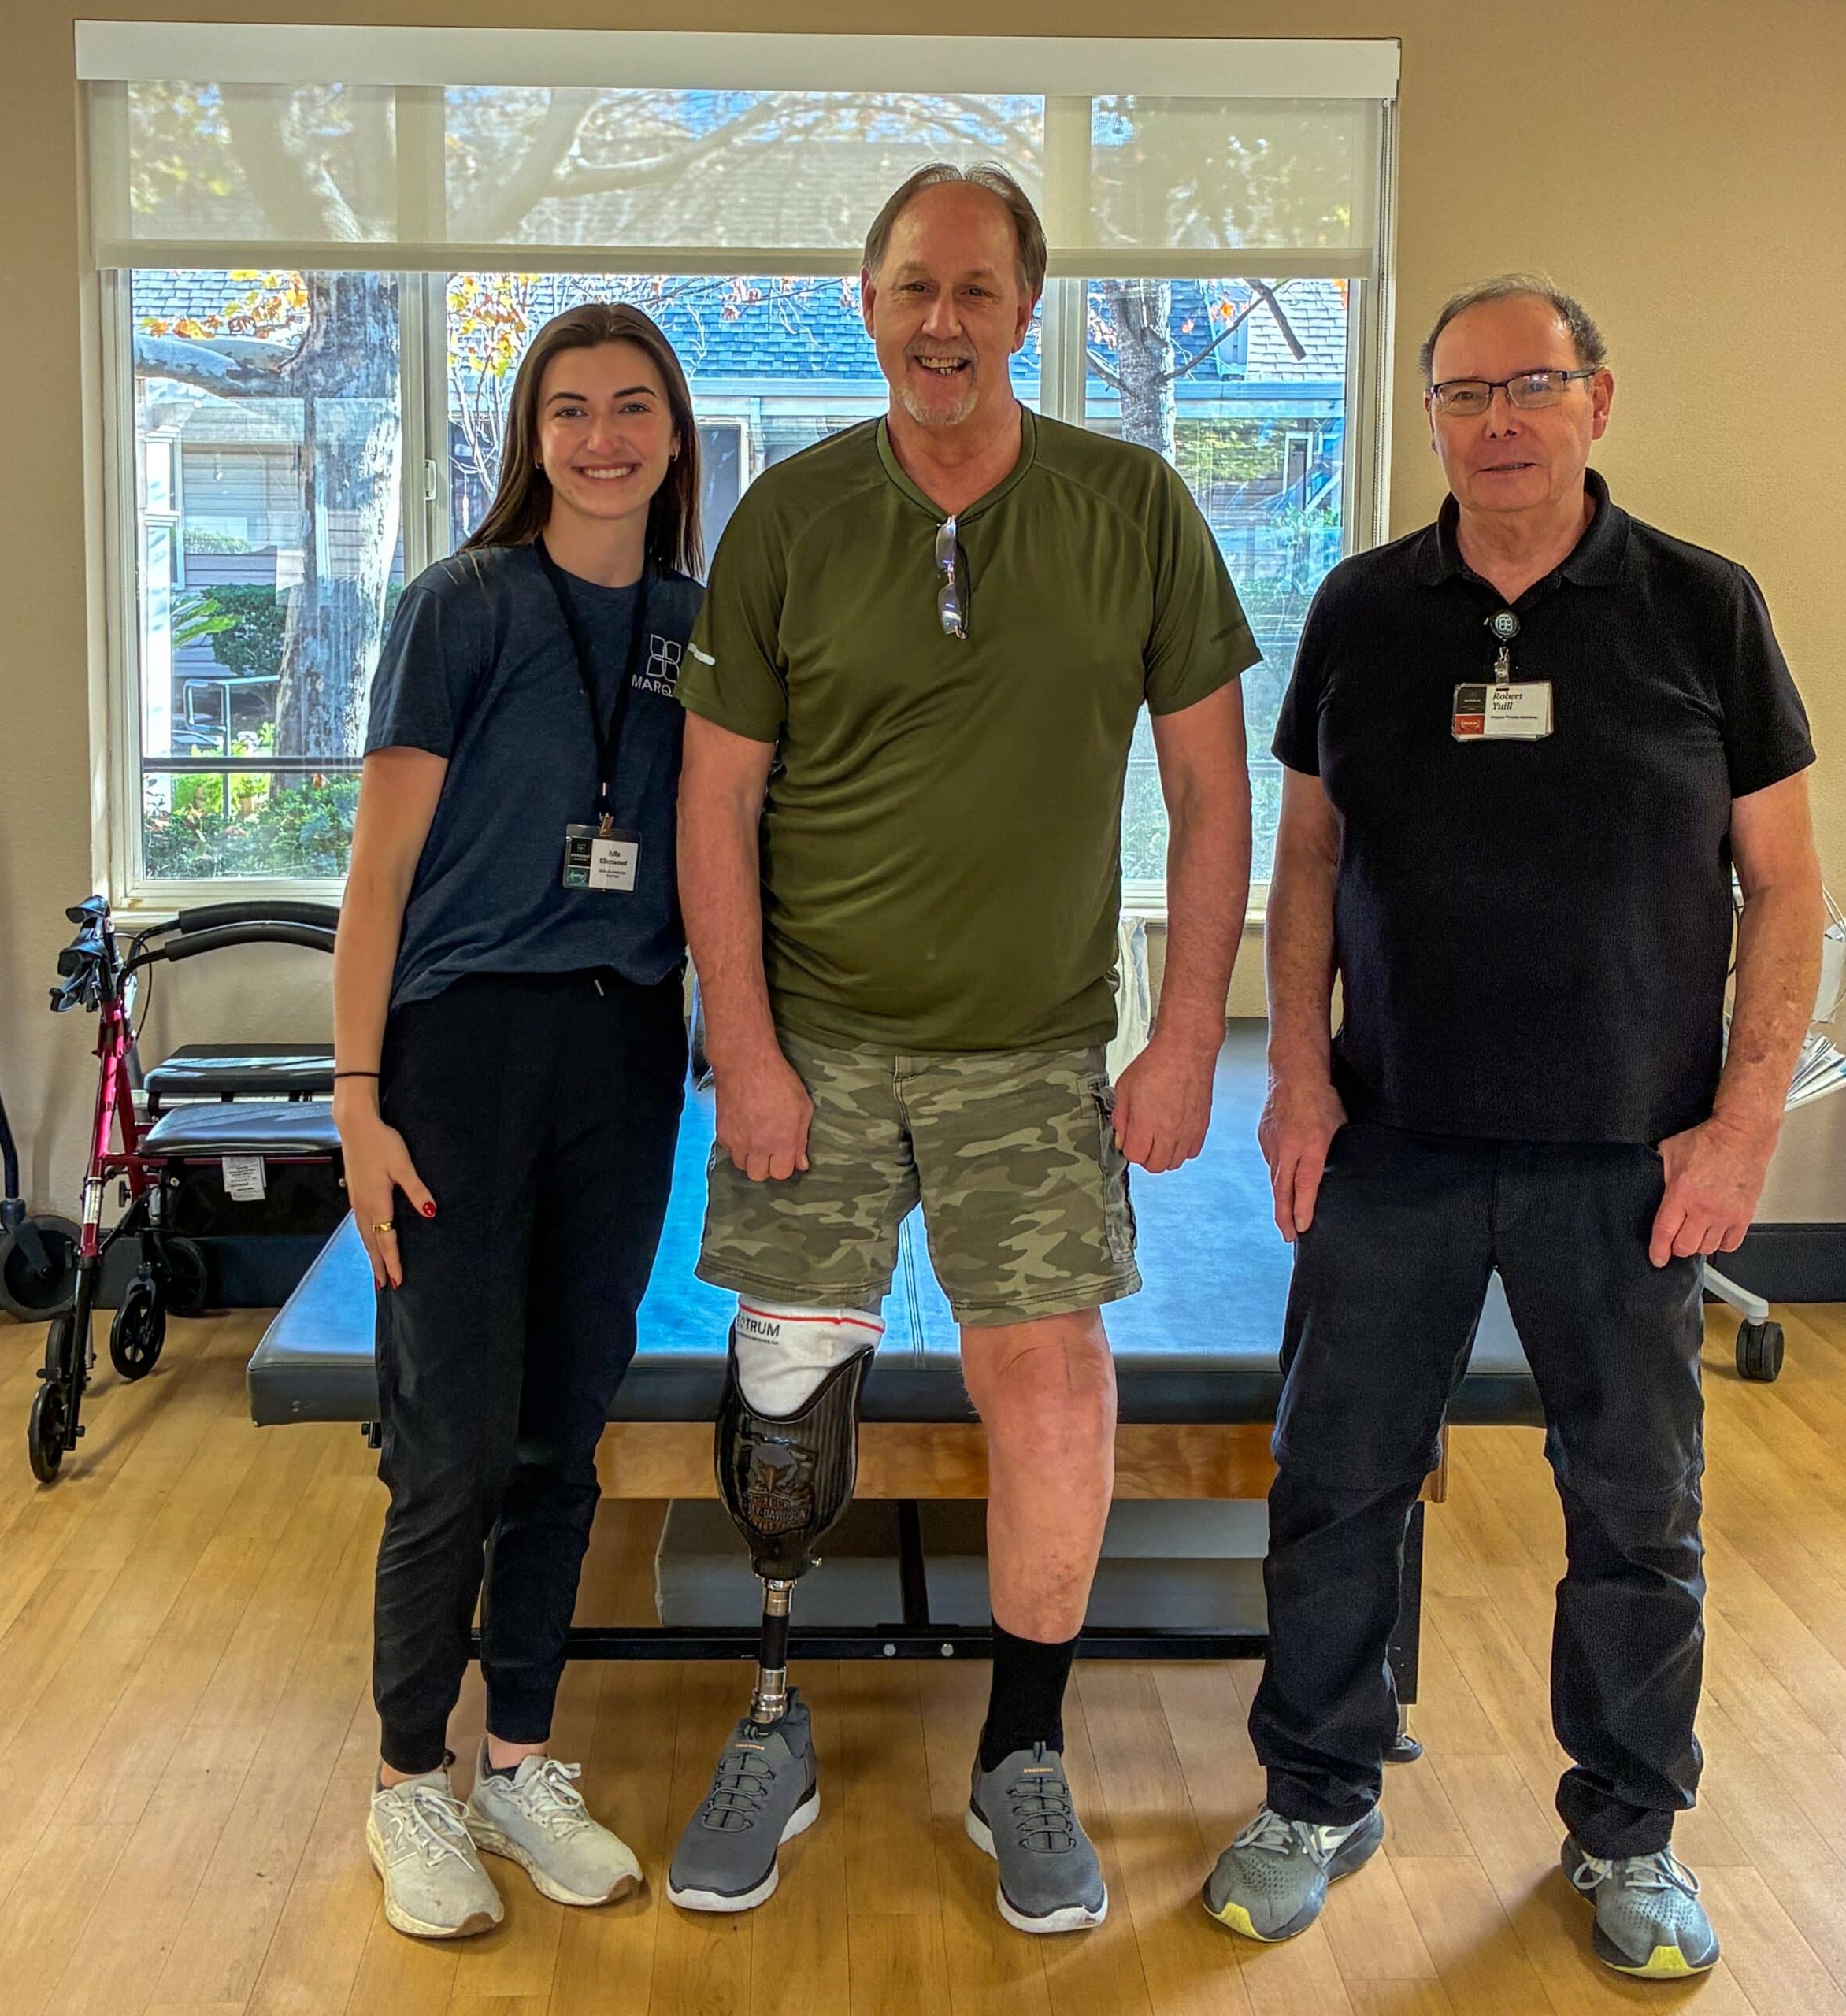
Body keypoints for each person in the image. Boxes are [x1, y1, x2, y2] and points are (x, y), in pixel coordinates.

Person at [1201, 276, 1824, 1978]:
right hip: (1394, 1134)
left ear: (1596, 404)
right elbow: (1308, 859)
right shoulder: (1359, 607)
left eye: (1529, 387)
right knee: (1336, 1482)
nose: (1496, 422)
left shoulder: (1702, 607)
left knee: (1635, 1509)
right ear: (1431, 418)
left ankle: (1627, 1829)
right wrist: (1302, 1075)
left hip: (1628, 1155)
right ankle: (1316, 1788)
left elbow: (1782, 886)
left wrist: (1741, 1121)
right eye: (1461, 393)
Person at [667, 162, 1256, 1933]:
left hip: (1032, 1047)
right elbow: (717, 803)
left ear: (1025, 307)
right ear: (868, 301)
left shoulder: (1131, 504)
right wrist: (746, 1046)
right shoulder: (789, 517)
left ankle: (1021, 1751)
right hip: (821, 1039)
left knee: (1052, 1388)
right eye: (915, 285)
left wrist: (1185, 1041)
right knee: (782, 1398)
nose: (944, 318)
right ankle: (774, 1724)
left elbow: (1214, 789)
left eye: (978, 288)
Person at [332, 303, 704, 1940]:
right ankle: (411, 1779)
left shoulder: (702, 626)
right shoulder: (460, 604)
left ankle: (520, 1759)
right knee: (454, 1440)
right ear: (529, 435)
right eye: (570, 408)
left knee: (565, 1429)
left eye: (633, 407)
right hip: (459, 1050)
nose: (603, 436)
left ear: (676, 435)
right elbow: (378, 871)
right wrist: (352, 1101)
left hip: (624, 1051)